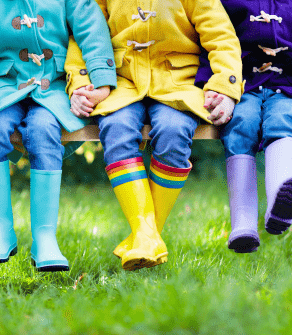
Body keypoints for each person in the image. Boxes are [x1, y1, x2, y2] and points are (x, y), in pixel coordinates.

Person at [67, 0, 243, 270]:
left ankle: (145, 235)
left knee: (174, 131)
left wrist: (226, 85)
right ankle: (147, 234)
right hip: (119, 81)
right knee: (117, 128)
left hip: (177, 82)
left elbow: (221, 36)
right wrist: (80, 83)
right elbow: (83, 33)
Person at [0, 0, 116, 271]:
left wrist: (100, 81)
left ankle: (45, 237)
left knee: (43, 130)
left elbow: (92, 33)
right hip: (3, 85)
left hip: (54, 85)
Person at [195, 1, 292, 253]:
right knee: (240, 124)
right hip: (241, 87)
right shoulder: (229, 3)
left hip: (287, 87)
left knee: (283, 119)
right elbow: (215, 42)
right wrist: (217, 86)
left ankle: (280, 203)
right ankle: (243, 223)